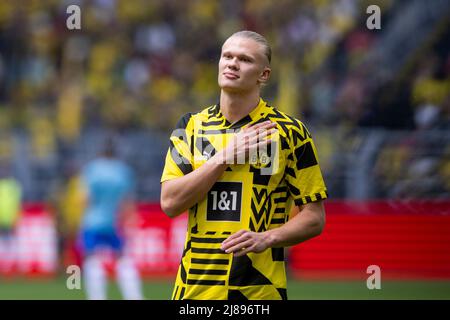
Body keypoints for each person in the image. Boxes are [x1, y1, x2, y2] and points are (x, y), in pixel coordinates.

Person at [160, 30, 328, 300]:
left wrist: (268, 238)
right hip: (194, 291)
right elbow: (170, 203)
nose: (232, 63)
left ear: (264, 75)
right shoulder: (190, 127)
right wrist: (223, 157)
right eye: (227, 56)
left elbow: (315, 217)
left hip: (260, 293)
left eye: (245, 59)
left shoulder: (291, 132)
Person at [78, 138, 143, 300]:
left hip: (92, 221)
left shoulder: (92, 169)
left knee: (92, 258)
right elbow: (127, 202)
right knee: (122, 259)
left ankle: (97, 297)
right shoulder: (123, 171)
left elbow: (84, 198)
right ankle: (134, 296)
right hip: (114, 222)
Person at [0, 162, 22, 274]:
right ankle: (4, 266)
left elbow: (17, 202)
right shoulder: (12, 185)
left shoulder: (14, 185)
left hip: (11, 219)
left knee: (11, 243)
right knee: (4, 243)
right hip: (2, 219)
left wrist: (16, 216)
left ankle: (11, 266)